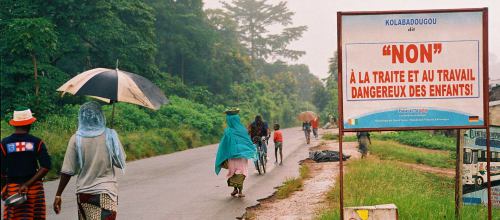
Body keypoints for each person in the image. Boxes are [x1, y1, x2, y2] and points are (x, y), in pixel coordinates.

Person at [53, 101, 126, 220]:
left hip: (84, 193)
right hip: (106, 193)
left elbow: (67, 170)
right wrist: (113, 142)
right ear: (100, 116)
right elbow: (120, 162)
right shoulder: (110, 135)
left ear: (81, 117)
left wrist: (58, 194)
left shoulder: (76, 138)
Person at [1, 107, 52, 220]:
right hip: (34, 189)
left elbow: (2, 171)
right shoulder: (37, 142)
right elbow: (45, 166)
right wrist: (27, 184)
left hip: (13, 191)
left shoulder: (4, 143)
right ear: (30, 124)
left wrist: (4, 188)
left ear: (14, 124)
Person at [215, 109, 256, 198]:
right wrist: (249, 150)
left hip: (231, 156)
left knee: (233, 172)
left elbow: (224, 144)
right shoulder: (242, 130)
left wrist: (223, 156)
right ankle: (239, 191)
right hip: (242, 156)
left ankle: (235, 189)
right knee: (241, 172)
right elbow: (247, 141)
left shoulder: (228, 131)